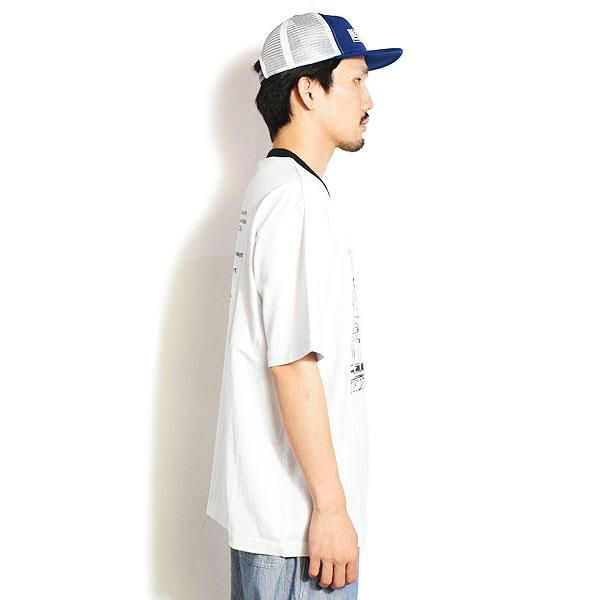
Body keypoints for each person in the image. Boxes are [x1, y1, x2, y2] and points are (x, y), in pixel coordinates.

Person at [206, 12, 403, 599]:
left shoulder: (279, 189)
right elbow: (293, 364)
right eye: (357, 80)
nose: (369, 100)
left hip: (285, 524)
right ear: (308, 91)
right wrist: (332, 508)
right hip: (298, 531)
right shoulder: (294, 201)